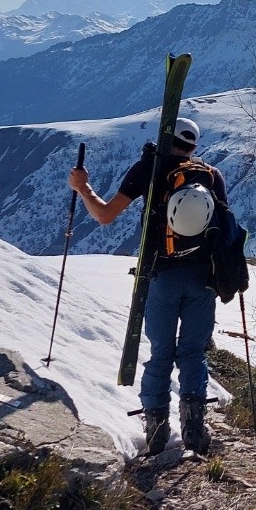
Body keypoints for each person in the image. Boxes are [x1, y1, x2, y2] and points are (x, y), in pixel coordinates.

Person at [68, 117, 227, 456]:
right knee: (193, 353)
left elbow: (105, 215)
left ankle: (156, 430)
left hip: (161, 275)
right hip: (204, 278)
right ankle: (195, 428)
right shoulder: (211, 175)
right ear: (193, 146)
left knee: (162, 354)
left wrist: (84, 188)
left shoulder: (148, 169)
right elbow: (225, 229)